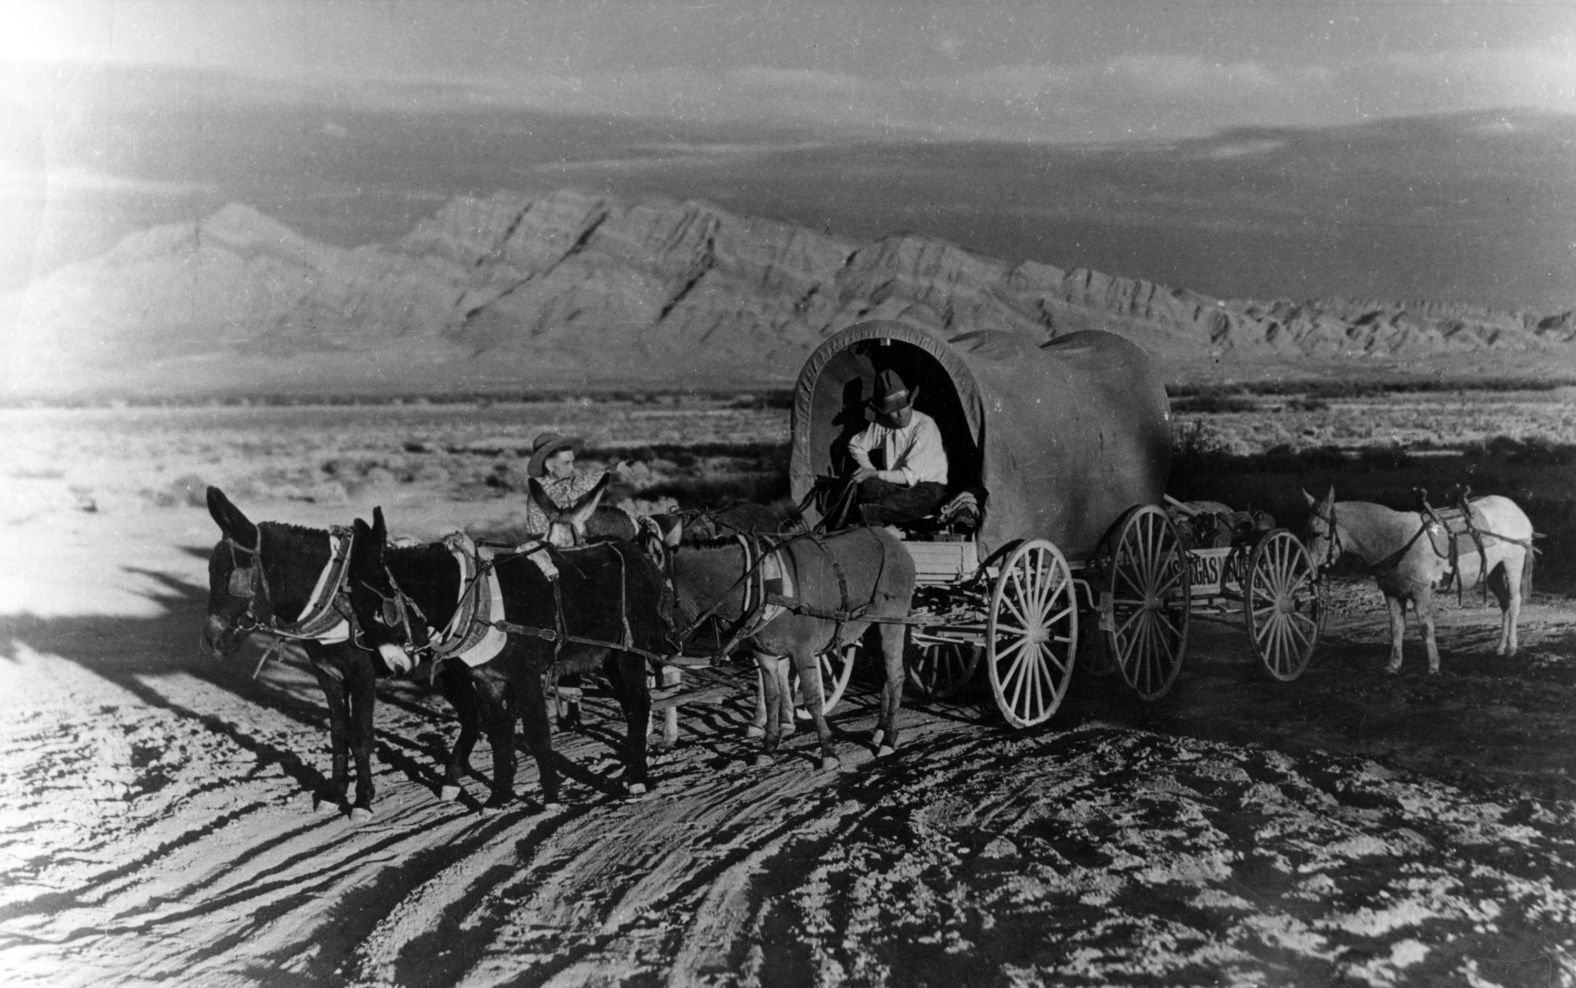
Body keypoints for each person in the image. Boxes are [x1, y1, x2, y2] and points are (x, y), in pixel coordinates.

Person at [835, 368, 949, 527]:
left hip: (926, 489)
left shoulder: (925, 426)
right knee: (868, 487)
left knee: (878, 506)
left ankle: (870, 518)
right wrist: (869, 472)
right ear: (885, 412)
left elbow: (908, 476)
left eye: (903, 407)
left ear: (911, 402)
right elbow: (856, 445)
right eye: (893, 412)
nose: (900, 415)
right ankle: (873, 516)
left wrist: (874, 473)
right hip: (895, 487)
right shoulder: (883, 425)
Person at [522, 432, 610, 536]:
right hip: (543, 548)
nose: (572, 468)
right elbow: (574, 487)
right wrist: (608, 471)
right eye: (566, 463)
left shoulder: (559, 484)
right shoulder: (541, 487)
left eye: (572, 462)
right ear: (549, 465)